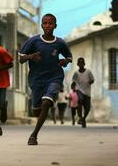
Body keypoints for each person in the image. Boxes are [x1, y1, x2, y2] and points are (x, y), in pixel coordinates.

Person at [19, 13, 72, 145]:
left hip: (55, 78)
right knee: (36, 110)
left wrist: (65, 61)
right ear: (42, 25)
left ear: (55, 26)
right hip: (36, 80)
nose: (48, 26)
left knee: (46, 103)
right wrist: (30, 56)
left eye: (50, 23)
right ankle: (39, 115)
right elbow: (21, 58)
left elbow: (69, 57)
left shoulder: (59, 42)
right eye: (45, 23)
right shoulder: (33, 41)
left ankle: (33, 136)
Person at [72, 57, 94, 128]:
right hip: (79, 90)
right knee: (80, 101)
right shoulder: (76, 73)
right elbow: (73, 81)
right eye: (79, 62)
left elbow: (92, 79)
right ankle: (80, 117)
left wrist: (90, 82)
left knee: (87, 108)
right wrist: (73, 87)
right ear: (78, 64)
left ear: (84, 64)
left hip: (87, 92)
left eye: (82, 62)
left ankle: (83, 119)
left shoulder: (88, 72)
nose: (81, 64)